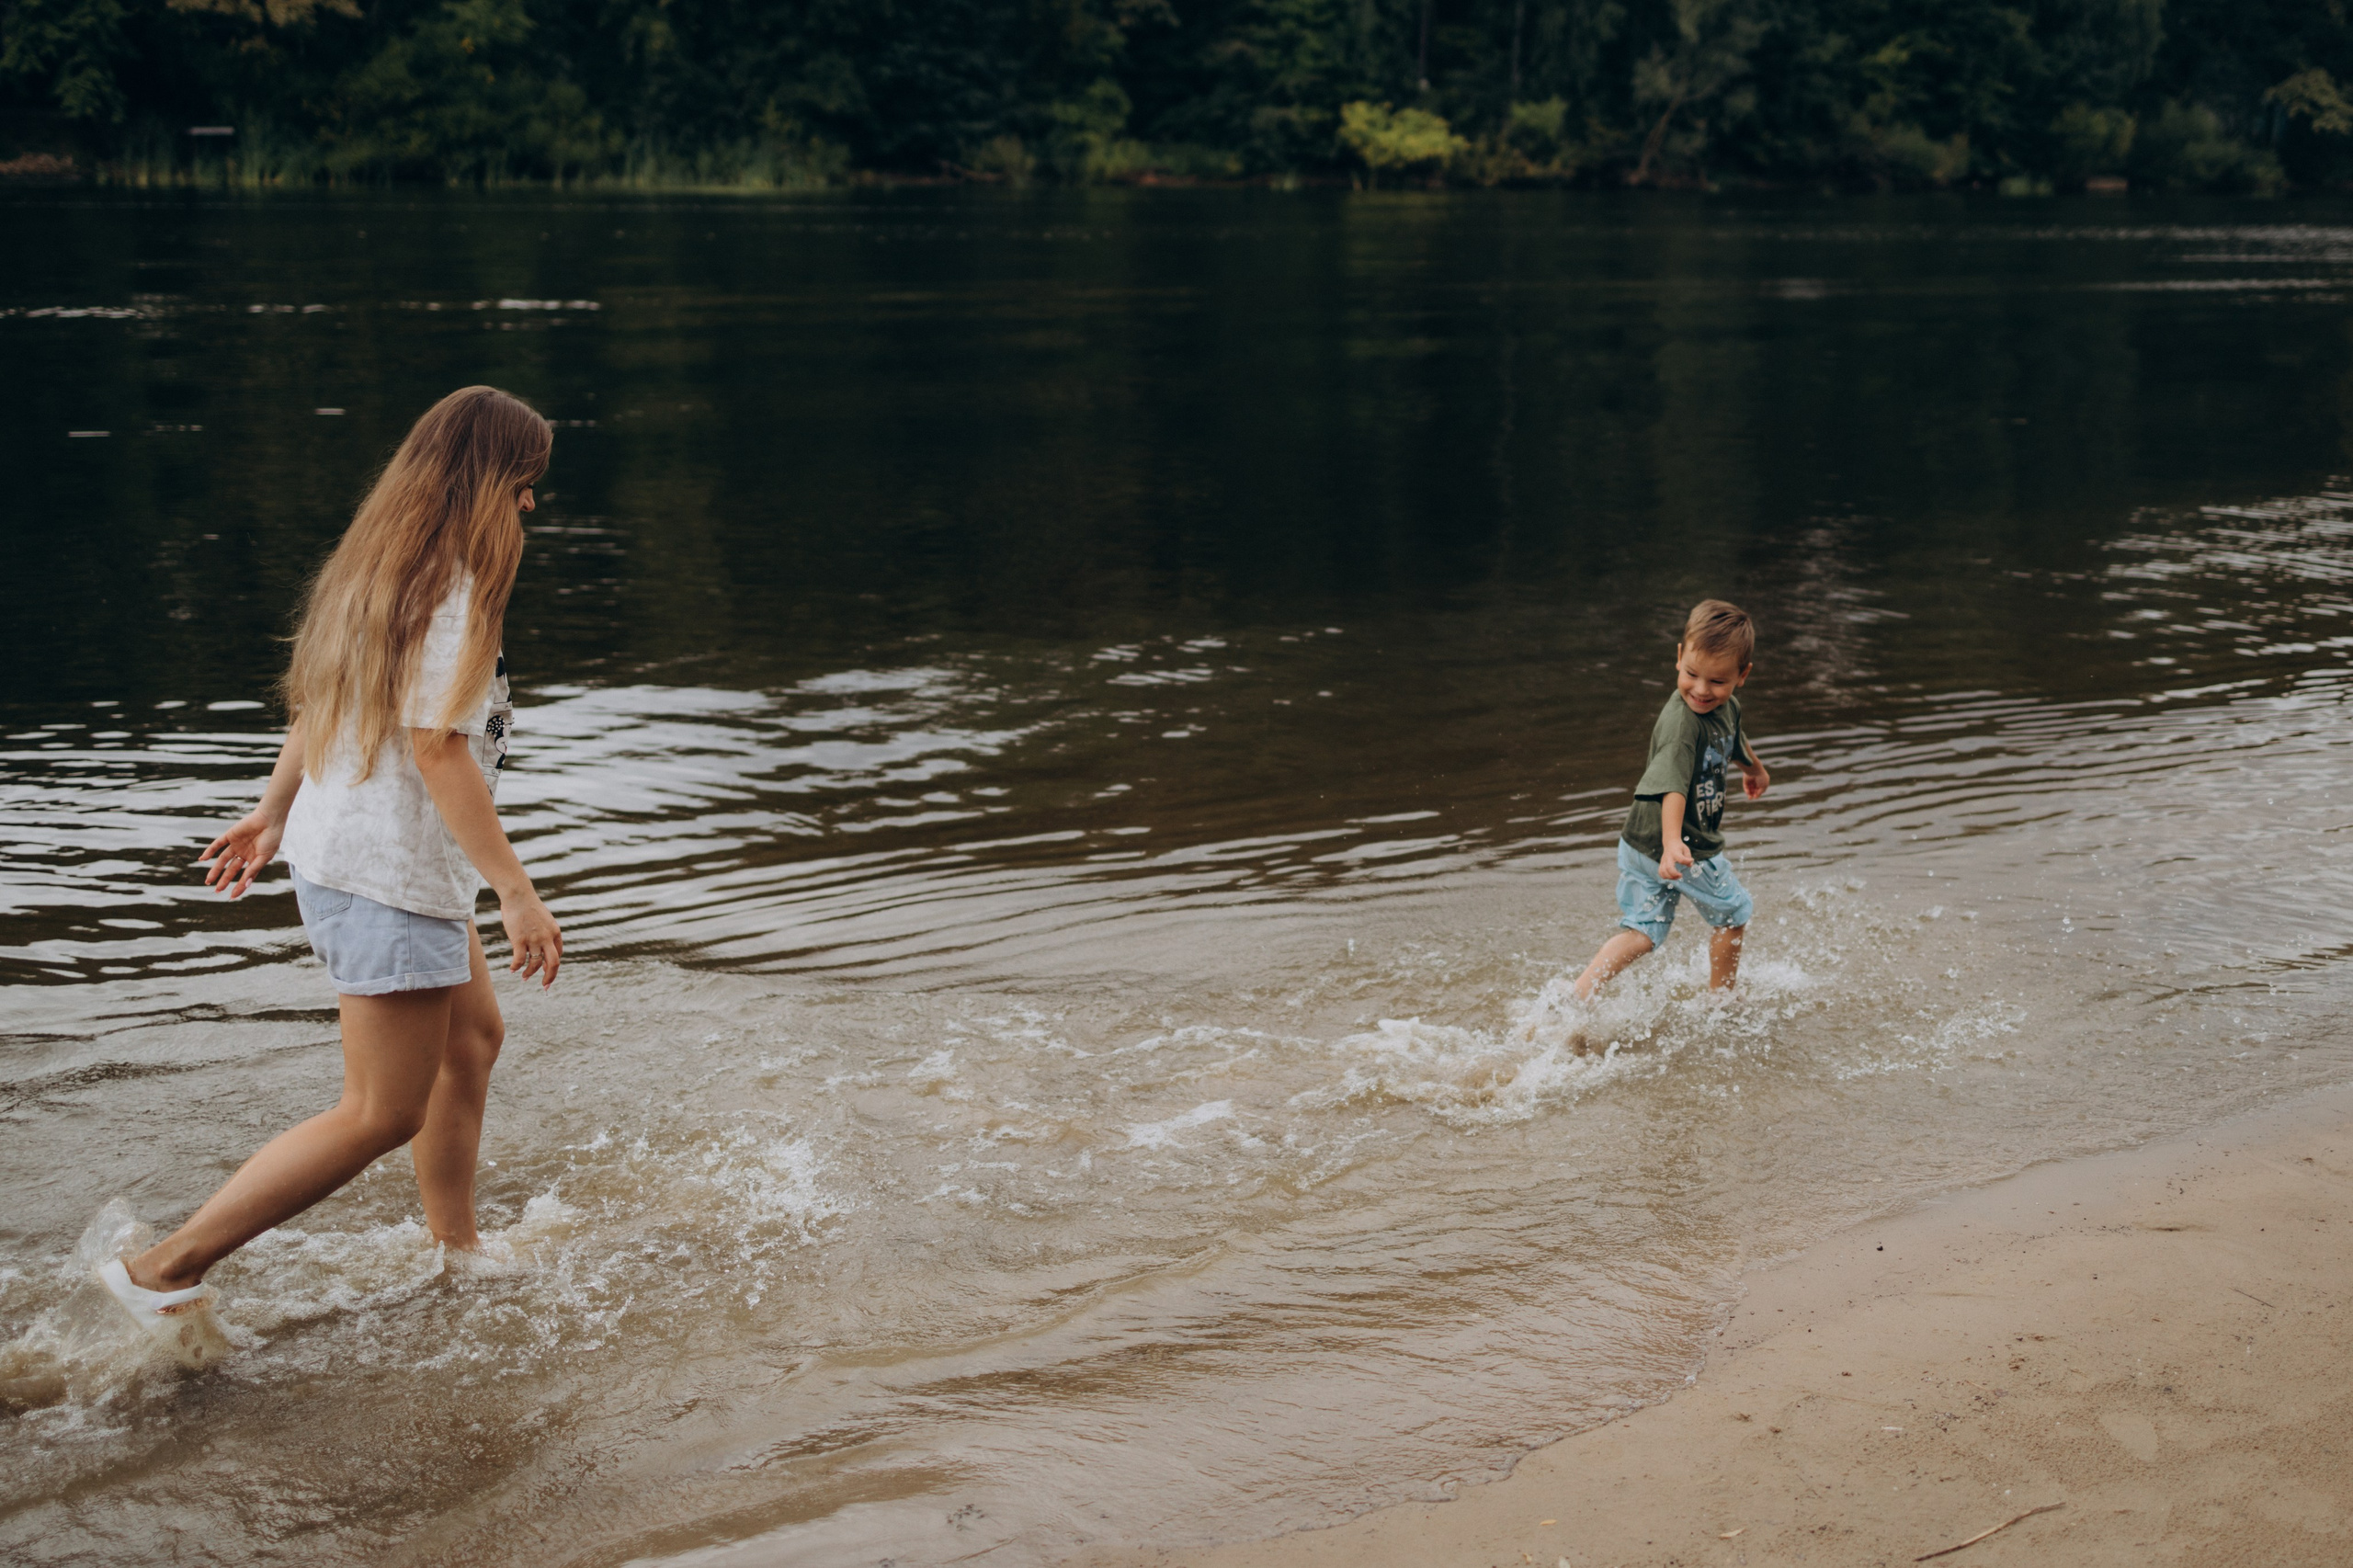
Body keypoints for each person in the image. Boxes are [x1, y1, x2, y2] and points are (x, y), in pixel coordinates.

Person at [95, 386, 564, 1362]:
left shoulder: (379, 567)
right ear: (486, 482)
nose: (530, 506)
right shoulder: (445, 594)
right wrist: (518, 889)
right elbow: (439, 751)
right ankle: (165, 1267)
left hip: (366, 855)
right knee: (378, 1109)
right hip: (386, 873)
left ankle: (455, 1247)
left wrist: (272, 811)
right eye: (524, 485)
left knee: (471, 1036)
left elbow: (317, 703)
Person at [1571, 599, 1769, 1005]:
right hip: (1679, 845)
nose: (1701, 690)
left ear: (1742, 676)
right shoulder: (1683, 725)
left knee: (1643, 932)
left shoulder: (1726, 706)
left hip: (1638, 842)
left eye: (1716, 681)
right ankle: (1722, 1002)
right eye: (1692, 674)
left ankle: (1577, 994)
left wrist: (1753, 769)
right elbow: (1672, 785)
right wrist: (1673, 841)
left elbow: (1732, 736)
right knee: (1734, 915)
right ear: (1679, 657)